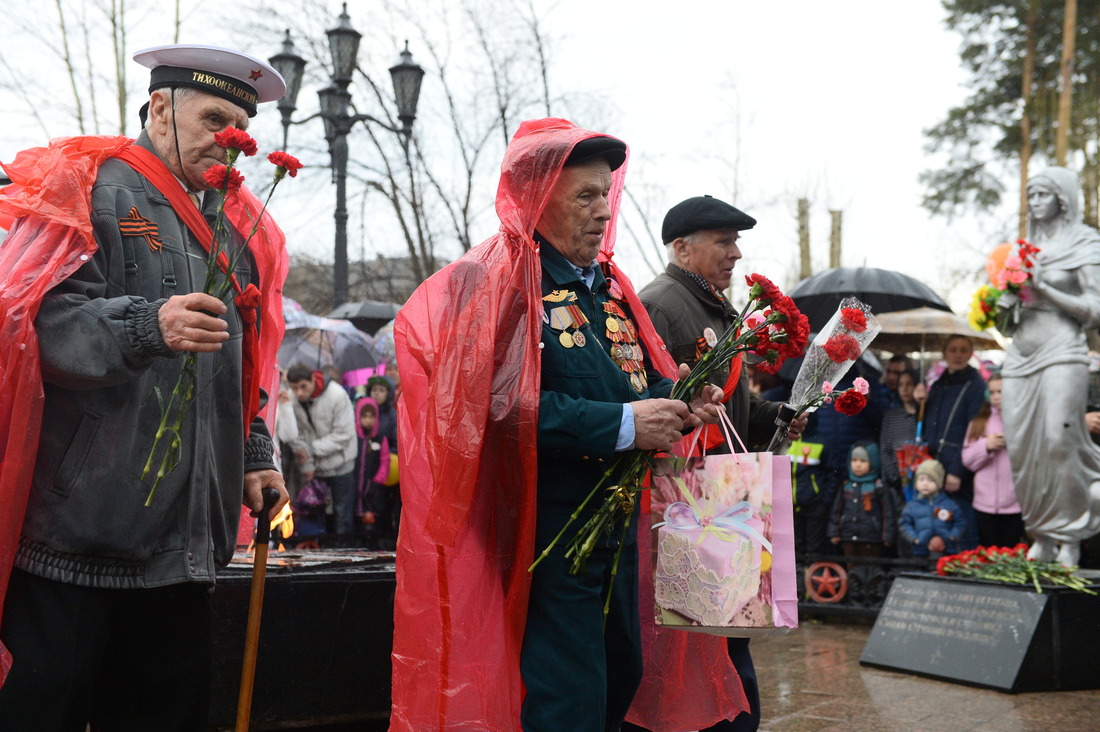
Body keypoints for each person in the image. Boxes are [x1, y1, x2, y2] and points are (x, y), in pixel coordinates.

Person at [391, 119, 727, 731]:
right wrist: (625, 425)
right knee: (568, 692)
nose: (604, 210)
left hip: (618, 522)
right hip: (544, 529)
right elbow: (484, 408)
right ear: (538, 199)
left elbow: (632, 383)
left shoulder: (612, 288)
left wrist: (679, 400)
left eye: (606, 193)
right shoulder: (493, 284)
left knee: (619, 673)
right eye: (585, 196)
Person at [0, 44, 289, 728]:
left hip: (183, 556)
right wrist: (145, 327)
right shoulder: (90, 186)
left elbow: (241, 372)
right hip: (73, 547)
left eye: (240, 125)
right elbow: (34, 326)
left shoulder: (240, 227)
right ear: (160, 107)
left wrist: (254, 456)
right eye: (215, 116)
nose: (231, 138)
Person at [637, 194, 808, 732]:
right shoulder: (661, 304)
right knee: (697, 632)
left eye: (737, 242)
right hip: (687, 501)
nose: (735, 253)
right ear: (683, 247)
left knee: (727, 628)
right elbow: (649, 401)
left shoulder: (718, 308)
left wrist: (775, 414)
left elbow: (734, 405)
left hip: (721, 495)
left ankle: (732, 719)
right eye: (724, 242)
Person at [1002, 167, 1100, 566]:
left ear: (1062, 198)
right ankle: (1040, 533)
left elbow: (1094, 310)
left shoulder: (1086, 242)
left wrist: (1044, 288)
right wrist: (1003, 305)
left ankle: (1071, 537)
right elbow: (1004, 324)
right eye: (1031, 195)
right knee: (1022, 447)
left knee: (1059, 442)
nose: (1035, 202)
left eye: (1043, 194)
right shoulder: (1021, 248)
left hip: (1063, 350)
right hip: (1019, 354)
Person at [916, 335, 984, 549]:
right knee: (939, 525)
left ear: (970, 353)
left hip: (958, 468)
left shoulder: (975, 385)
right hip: (935, 464)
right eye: (953, 349)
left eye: (963, 350)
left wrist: (957, 470)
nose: (958, 355)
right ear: (945, 353)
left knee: (962, 526)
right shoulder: (938, 384)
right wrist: (919, 402)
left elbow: (973, 431)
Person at [286, 363, 359, 540]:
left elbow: (344, 434)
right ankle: (319, 549)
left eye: (303, 387)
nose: (299, 393)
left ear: (313, 380)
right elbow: (296, 435)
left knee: (342, 514)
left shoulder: (337, 395)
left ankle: (342, 551)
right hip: (316, 468)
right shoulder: (292, 399)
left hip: (341, 465)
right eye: (295, 388)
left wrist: (311, 450)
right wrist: (308, 464)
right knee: (314, 513)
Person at [827, 442, 897, 605]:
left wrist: (887, 535)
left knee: (873, 571)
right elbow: (836, 511)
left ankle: (873, 602)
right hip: (849, 537)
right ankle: (853, 601)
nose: (858, 464)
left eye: (863, 461)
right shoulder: (846, 485)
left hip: (871, 537)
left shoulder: (878, 486)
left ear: (872, 462)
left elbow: (888, 513)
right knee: (852, 571)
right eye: (855, 460)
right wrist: (834, 532)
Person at [961, 374, 1025, 548]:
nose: (996, 396)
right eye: (992, 392)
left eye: (1001, 392)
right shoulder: (978, 423)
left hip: (1015, 503)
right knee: (989, 553)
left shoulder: (1023, 422)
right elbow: (967, 460)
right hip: (984, 504)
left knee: (1011, 554)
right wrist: (986, 446)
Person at [898, 459, 966, 563]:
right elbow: (904, 524)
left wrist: (952, 536)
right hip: (920, 551)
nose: (925, 484)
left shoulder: (949, 504)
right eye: (921, 480)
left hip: (947, 550)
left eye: (931, 480)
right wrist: (915, 539)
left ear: (939, 483)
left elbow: (960, 522)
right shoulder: (911, 506)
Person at [353, 397, 392, 545]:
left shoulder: (380, 438)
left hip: (373, 489)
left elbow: (385, 461)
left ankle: (373, 546)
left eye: (371, 416)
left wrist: (377, 481)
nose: (368, 420)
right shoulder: (355, 438)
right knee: (356, 520)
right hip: (356, 487)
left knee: (373, 521)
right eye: (364, 416)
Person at [879, 368, 921, 499]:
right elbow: (885, 449)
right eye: (901, 385)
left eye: (909, 384)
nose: (905, 389)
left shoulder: (925, 414)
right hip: (896, 481)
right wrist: (894, 477)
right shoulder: (891, 416)